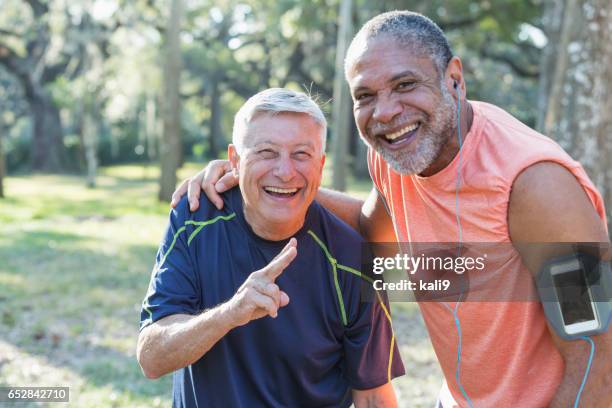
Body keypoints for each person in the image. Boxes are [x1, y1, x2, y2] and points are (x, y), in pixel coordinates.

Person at [173, 11, 611, 408]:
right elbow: (375, 236)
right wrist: (263, 180)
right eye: (366, 95)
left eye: (405, 85)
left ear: (454, 79)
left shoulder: (536, 186)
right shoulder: (395, 159)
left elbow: (596, 349)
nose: (385, 112)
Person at [137, 88, 404, 407]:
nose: (285, 171)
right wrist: (230, 314)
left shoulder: (351, 259)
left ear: (320, 165)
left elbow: (373, 395)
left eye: (301, 154)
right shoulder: (196, 218)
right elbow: (152, 358)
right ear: (234, 160)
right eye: (266, 152)